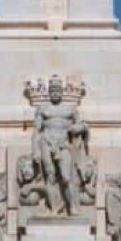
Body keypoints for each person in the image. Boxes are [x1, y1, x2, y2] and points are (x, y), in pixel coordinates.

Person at [31, 77, 87, 215]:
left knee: (66, 176)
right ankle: (54, 206)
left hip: (63, 144)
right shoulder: (42, 109)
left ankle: (72, 205)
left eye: (57, 90)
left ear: (61, 92)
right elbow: (37, 131)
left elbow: (81, 125)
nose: (55, 93)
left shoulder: (70, 109)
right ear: (49, 92)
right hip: (46, 142)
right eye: (53, 90)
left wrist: (79, 128)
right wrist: (35, 150)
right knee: (50, 175)